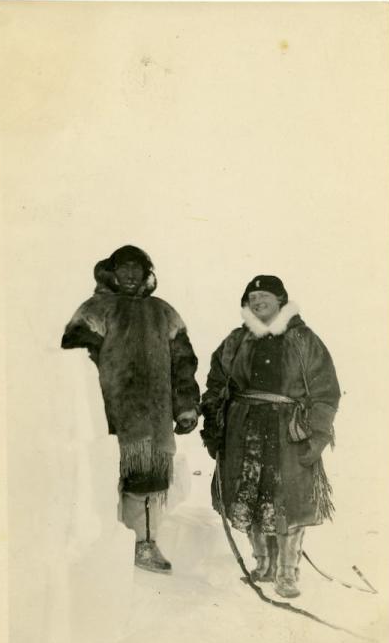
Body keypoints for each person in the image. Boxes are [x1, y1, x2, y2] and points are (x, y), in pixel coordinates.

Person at [61, 245, 200, 574]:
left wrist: (185, 408)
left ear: (146, 273)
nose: (129, 274)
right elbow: (74, 359)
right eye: (122, 267)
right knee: (103, 479)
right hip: (110, 415)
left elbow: (183, 364)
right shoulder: (96, 309)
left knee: (148, 484)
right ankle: (100, 547)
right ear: (111, 271)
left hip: (154, 419)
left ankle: (142, 545)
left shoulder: (164, 312)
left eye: (137, 268)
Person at [201, 275, 340, 598]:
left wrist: (317, 434)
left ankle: (287, 572)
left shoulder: (304, 340)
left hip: (288, 431)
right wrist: (214, 426)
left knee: (287, 500)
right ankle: (263, 562)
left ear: (281, 300)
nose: (258, 301)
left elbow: (326, 391)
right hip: (243, 428)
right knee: (247, 495)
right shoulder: (237, 340)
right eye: (252, 296)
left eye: (265, 295)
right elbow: (216, 383)